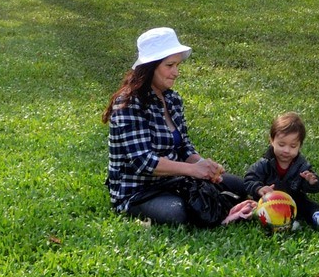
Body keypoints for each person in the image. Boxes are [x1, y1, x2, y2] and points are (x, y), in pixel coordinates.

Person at [103, 27, 253, 226]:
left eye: (178, 65)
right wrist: (193, 171)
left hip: (175, 182)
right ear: (150, 67)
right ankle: (224, 212)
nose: (176, 72)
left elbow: (184, 148)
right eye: (170, 65)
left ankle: (241, 208)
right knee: (177, 212)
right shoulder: (128, 104)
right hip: (138, 191)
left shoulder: (172, 99)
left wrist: (204, 166)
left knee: (240, 186)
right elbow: (144, 162)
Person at [242, 112, 319, 229]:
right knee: (254, 207)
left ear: (299, 146)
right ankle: (279, 221)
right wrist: (259, 189)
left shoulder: (302, 166)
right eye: (281, 144)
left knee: (305, 203)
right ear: (271, 140)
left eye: (293, 146)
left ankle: (317, 214)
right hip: (268, 202)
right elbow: (249, 179)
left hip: (293, 199)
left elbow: (310, 187)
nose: (286, 150)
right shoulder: (264, 163)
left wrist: (312, 182)